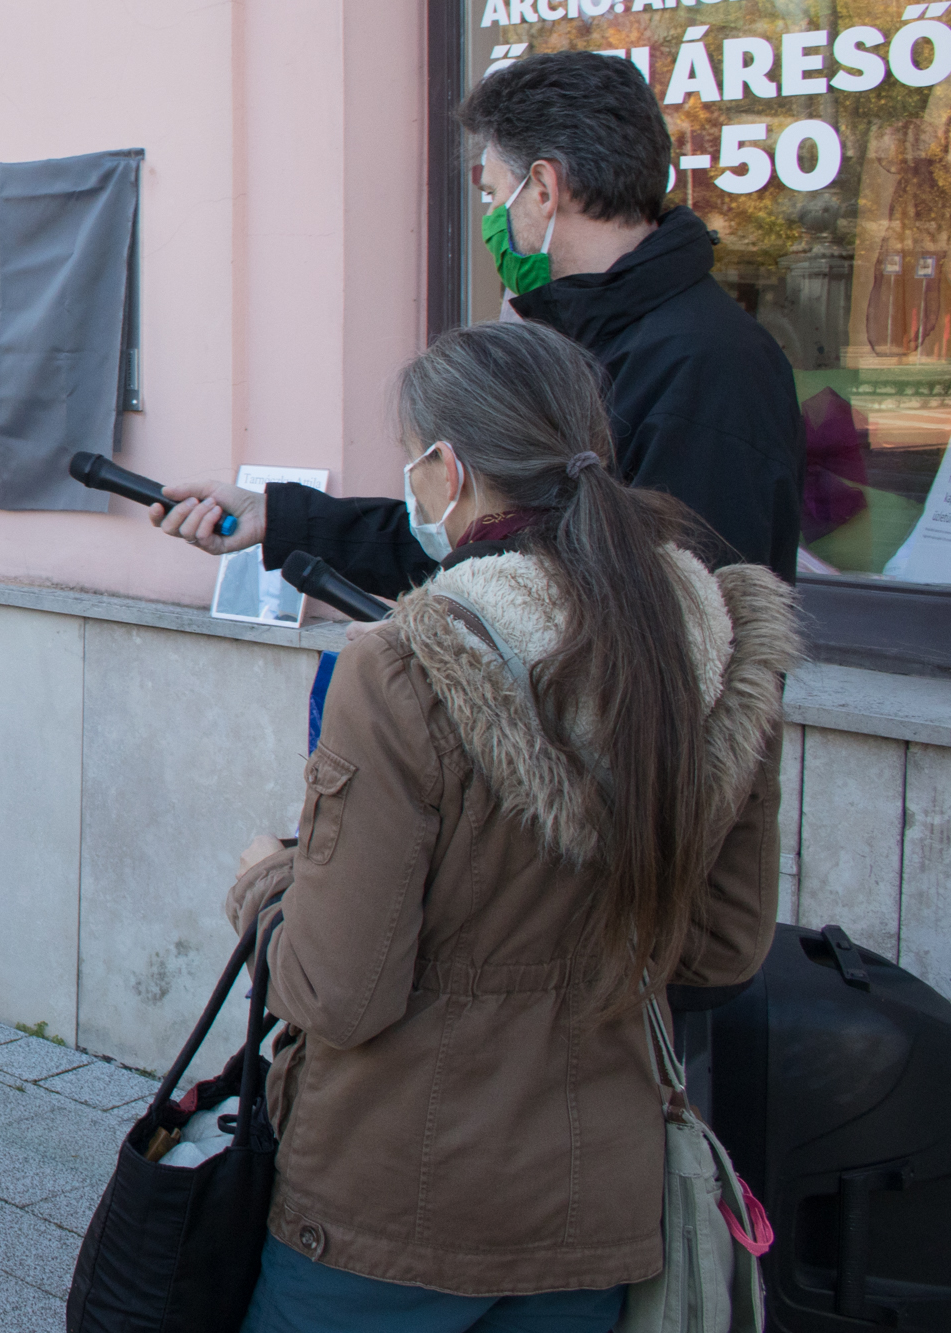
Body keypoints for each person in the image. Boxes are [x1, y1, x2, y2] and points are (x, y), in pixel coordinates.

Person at [219, 321, 795, 1331]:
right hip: (594, 1200)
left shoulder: (403, 664)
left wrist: (269, 883)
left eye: (410, 461)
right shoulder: (716, 643)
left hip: (389, 1205)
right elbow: (719, 948)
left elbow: (337, 991)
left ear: (447, 472)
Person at [157, 51, 804, 593]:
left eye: (494, 194)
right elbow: (489, 541)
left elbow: (677, 636)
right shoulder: (577, 338)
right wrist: (280, 519)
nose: (491, 217)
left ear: (544, 189)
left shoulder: (709, 364)